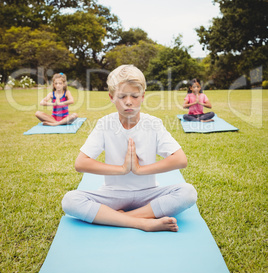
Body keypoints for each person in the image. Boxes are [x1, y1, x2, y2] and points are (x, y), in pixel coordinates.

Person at [62, 65, 197, 232]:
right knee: (70, 200)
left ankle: (119, 218)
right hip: (113, 194)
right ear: (111, 97)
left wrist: (140, 170)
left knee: (188, 192)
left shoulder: (153, 124)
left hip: (148, 194)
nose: (128, 101)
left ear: (143, 96)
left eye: (134, 96)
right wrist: (123, 169)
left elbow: (180, 159)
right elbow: (80, 163)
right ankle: (143, 222)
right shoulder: (105, 124)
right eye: (122, 96)